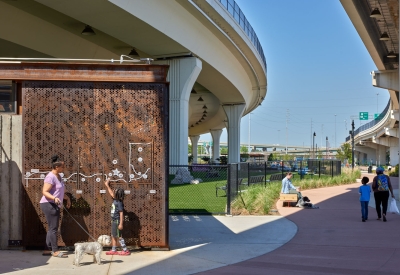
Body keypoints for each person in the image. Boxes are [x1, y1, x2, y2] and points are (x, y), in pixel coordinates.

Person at [40, 155, 71, 257]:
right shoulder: (50, 177)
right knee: (54, 228)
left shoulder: (59, 176)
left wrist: (67, 198)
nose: (63, 168)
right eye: (62, 166)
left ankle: (47, 250)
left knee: (51, 228)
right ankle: (55, 250)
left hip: (54, 203)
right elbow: (45, 191)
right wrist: (54, 198)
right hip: (48, 204)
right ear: (56, 167)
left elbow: (59, 191)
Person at [104, 179, 131, 255]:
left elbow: (121, 213)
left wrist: (121, 224)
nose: (113, 192)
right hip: (113, 221)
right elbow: (111, 193)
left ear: (118, 195)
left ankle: (125, 250)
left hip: (117, 221)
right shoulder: (115, 199)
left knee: (119, 236)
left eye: (115, 191)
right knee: (113, 235)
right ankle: (113, 250)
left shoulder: (119, 203)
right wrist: (107, 185)